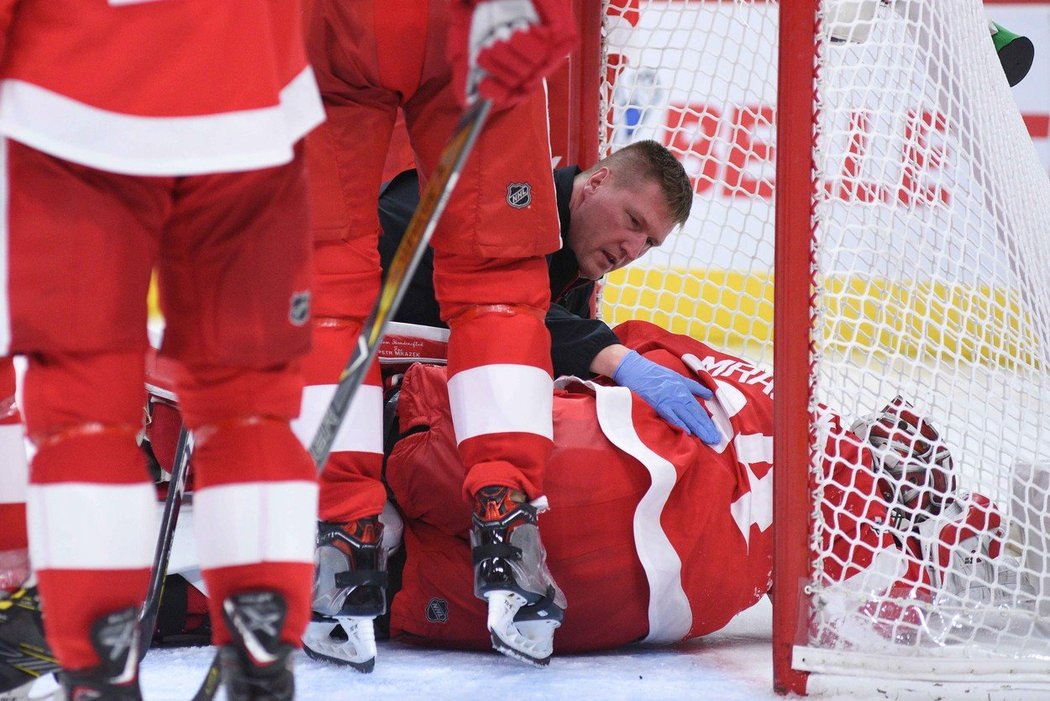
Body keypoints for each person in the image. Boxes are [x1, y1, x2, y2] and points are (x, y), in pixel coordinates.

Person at [0, 3, 324, 698]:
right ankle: (261, 654)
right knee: (250, 407)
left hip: (71, 103)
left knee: (81, 410)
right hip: (252, 98)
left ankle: (100, 665)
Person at [380, 319, 1025, 652]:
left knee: (438, 412)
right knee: (398, 579)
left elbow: (623, 344)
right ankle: (375, 563)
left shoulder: (764, 387)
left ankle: (361, 472)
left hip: (511, 458)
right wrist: (962, 534)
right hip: (576, 596)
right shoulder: (854, 553)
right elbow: (895, 627)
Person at [296, 0, 581, 670]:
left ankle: (344, 546)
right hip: (476, 16)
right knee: (499, 283)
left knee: (321, 283)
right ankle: (509, 528)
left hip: (321, 21)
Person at [377, 139, 721, 441]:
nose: (633, 250)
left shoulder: (576, 266)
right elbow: (501, 296)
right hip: (338, 375)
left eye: (649, 242)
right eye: (633, 221)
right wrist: (617, 359)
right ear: (597, 183)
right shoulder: (509, 196)